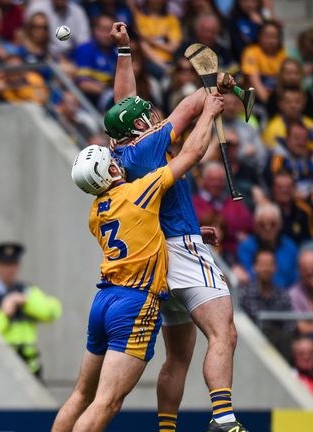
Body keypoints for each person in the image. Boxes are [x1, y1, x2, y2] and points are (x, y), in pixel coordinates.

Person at [107, 22, 248, 432]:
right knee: (223, 333)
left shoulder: (124, 152)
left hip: (156, 257)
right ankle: (223, 419)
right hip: (183, 253)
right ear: (138, 126)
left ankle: (166, 428)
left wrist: (124, 53)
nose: (154, 117)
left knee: (178, 357)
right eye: (148, 116)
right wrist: (211, 95)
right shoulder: (150, 143)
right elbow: (188, 116)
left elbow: (123, 103)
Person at [54, 90, 220, 431]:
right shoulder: (139, 190)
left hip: (103, 300)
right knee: (107, 402)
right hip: (134, 302)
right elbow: (192, 153)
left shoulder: (95, 213)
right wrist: (209, 115)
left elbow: (145, 230)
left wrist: (191, 229)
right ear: (112, 169)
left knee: (81, 394)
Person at [0, 242, 61, 377]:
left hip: (31, 367)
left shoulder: (27, 291)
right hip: (1, 365)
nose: (10, 269)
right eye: (5, 264)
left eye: (13, 264)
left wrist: (26, 302)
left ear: (18, 266)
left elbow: (52, 312)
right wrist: (4, 314)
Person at [191, 161, 254, 259]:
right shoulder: (193, 203)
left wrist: (224, 226)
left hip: (232, 256)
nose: (216, 184)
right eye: (212, 180)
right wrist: (233, 231)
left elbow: (248, 223)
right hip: (200, 254)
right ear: (203, 180)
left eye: (220, 180)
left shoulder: (234, 203)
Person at [238, 250, 294, 356]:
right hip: (251, 345)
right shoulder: (244, 294)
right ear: (254, 267)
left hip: (280, 346)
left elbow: (290, 325)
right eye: (262, 265)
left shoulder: (283, 294)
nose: (266, 269)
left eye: (270, 265)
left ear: (275, 268)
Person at [235, 204, 298, 289]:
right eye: (262, 224)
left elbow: (295, 279)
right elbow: (246, 276)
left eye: (273, 224)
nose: (268, 228)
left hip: (286, 296)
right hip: (254, 296)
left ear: (280, 225)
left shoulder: (290, 248)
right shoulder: (245, 248)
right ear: (256, 226)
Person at [71, 13, 116, 107]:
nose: (108, 34)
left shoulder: (117, 52)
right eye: (104, 30)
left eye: (111, 30)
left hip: (111, 101)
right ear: (95, 30)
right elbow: (83, 84)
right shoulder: (85, 49)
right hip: (87, 104)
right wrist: (109, 92)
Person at [241, 20, 287, 105]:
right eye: (267, 36)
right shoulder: (251, 52)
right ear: (259, 36)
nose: (271, 41)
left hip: (278, 100)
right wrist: (270, 105)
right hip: (255, 100)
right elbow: (255, 82)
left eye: (275, 37)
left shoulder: (282, 53)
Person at [25, 0, 90, 58]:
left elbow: (84, 41)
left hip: (72, 55)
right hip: (45, 53)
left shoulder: (78, 12)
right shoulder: (37, 8)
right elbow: (25, 34)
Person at [269, 171, 313, 245]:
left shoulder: (305, 211)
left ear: (294, 188)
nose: (284, 190)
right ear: (273, 189)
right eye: (280, 187)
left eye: (288, 187)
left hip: (300, 252)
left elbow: (309, 240)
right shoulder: (266, 211)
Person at [289, 249, 313, 335]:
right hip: (305, 340)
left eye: (312, 268)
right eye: (306, 269)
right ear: (299, 271)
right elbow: (302, 328)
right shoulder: (293, 294)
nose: (310, 272)